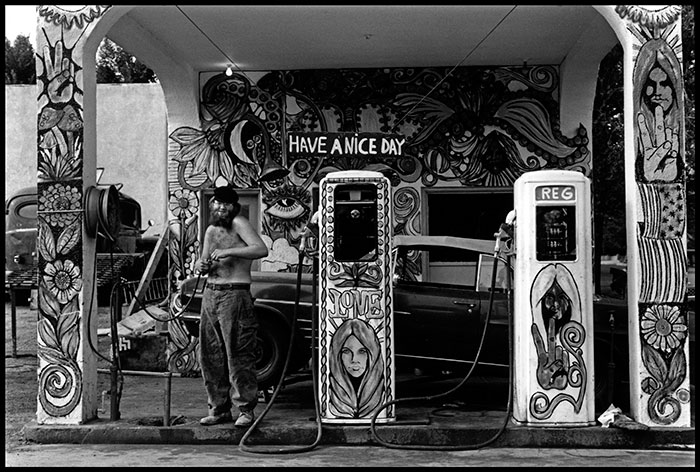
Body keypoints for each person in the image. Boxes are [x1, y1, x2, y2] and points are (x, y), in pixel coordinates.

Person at [194, 184, 269, 427]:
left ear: (234, 206)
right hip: (210, 294)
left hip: (234, 295)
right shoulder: (210, 230)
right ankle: (218, 409)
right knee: (210, 355)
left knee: (237, 353)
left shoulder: (239, 223)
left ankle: (245, 409)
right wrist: (201, 266)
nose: (221, 207)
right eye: (218, 202)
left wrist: (230, 251)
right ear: (212, 204)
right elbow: (201, 260)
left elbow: (260, 249)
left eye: (227, 204)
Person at [328, 318, 385, 419]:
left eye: (362, 351)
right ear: (337, 355)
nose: (354, 360)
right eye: (346, 351)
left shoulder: (381, 395)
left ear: (372, 354)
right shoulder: (331, 396)